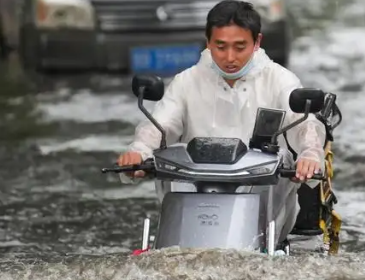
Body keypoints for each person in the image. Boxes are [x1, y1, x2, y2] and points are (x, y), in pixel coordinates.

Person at [118, 0, 326, 246]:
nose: (229, 58)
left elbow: (304, 125)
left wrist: (310, 154)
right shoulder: (186, 82)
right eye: (220, 46)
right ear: (208, 42)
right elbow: (161, 124)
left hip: (265, 204)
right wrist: (138, 152)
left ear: (257, 42)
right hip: (190, 202)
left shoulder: (280, 80)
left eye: (240, 47)